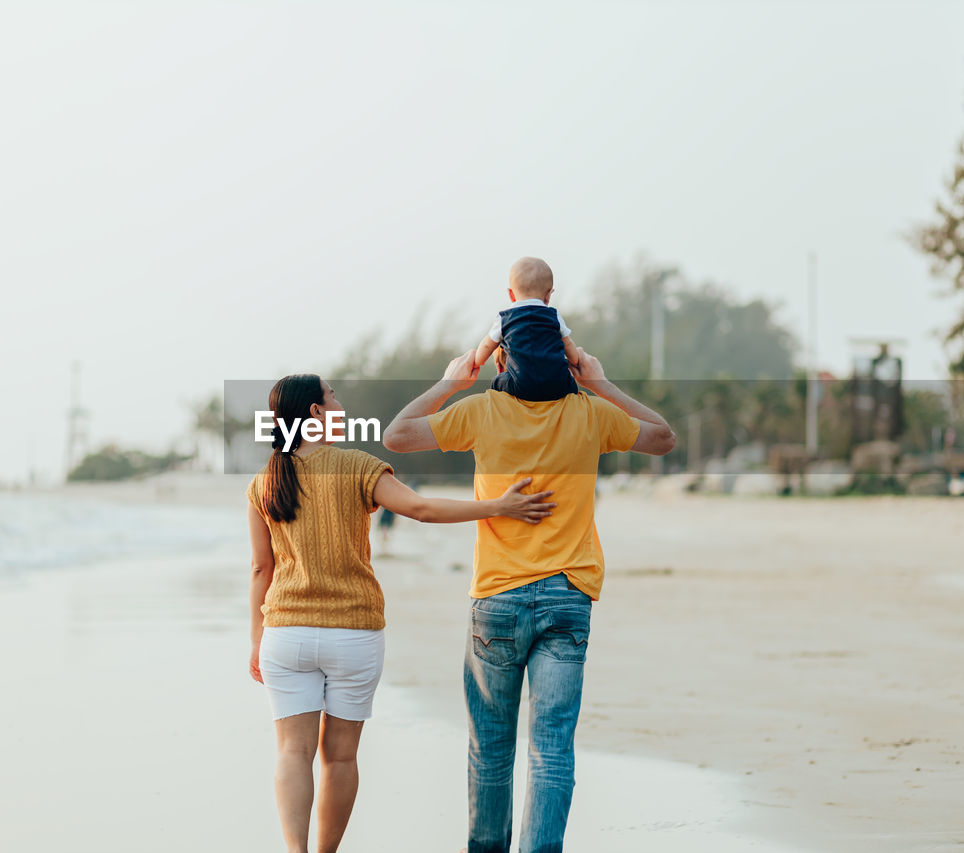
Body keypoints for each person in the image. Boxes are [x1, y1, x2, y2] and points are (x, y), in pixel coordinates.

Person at [247, 373, 557, 853]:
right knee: (340, 758)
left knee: (292, 752)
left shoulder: (264, 481)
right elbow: (422, 510)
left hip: (284, 634)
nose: (341, 405)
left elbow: (259, 568)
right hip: (353, 633)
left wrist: (256, 639)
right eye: (334, 399)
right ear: (313, 413)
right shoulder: (357, 466)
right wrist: (500, 506)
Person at [383, 348, 676, 853]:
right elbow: (663, 437)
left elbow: (397, 436)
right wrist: (602, 383)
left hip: (497, 596)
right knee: (552, 751)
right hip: (567, 596)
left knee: (490, 751)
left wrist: (452, 382)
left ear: (503, 367)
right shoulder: (591, 412)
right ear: (568, 368)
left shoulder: (479, 412)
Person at [472, 257, 580, 402]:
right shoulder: (554, 316)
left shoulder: (504, 318)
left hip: (520, 386)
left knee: (497, 381)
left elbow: (487, 345)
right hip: (557, 384)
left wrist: (477, 361)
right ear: (548, 295)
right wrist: (576, 360)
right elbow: (567, 344)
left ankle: (496, 404)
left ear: (511, 294)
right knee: (570, 382)